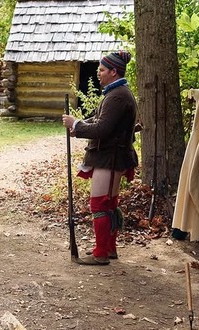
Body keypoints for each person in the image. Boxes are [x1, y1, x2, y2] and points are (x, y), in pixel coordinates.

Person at [62, 50, 138, 265]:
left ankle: (101, 253)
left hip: (110, 157)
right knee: (109, 204)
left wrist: (76, 125)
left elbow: (103, 129)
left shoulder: (118, 95)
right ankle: (108, 248)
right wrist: (80, 125)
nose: (98, 73)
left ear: (114, 71)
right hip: (110, 156)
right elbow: (99, 119)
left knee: (100, 205)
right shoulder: (116, 92)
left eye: (102, 69)